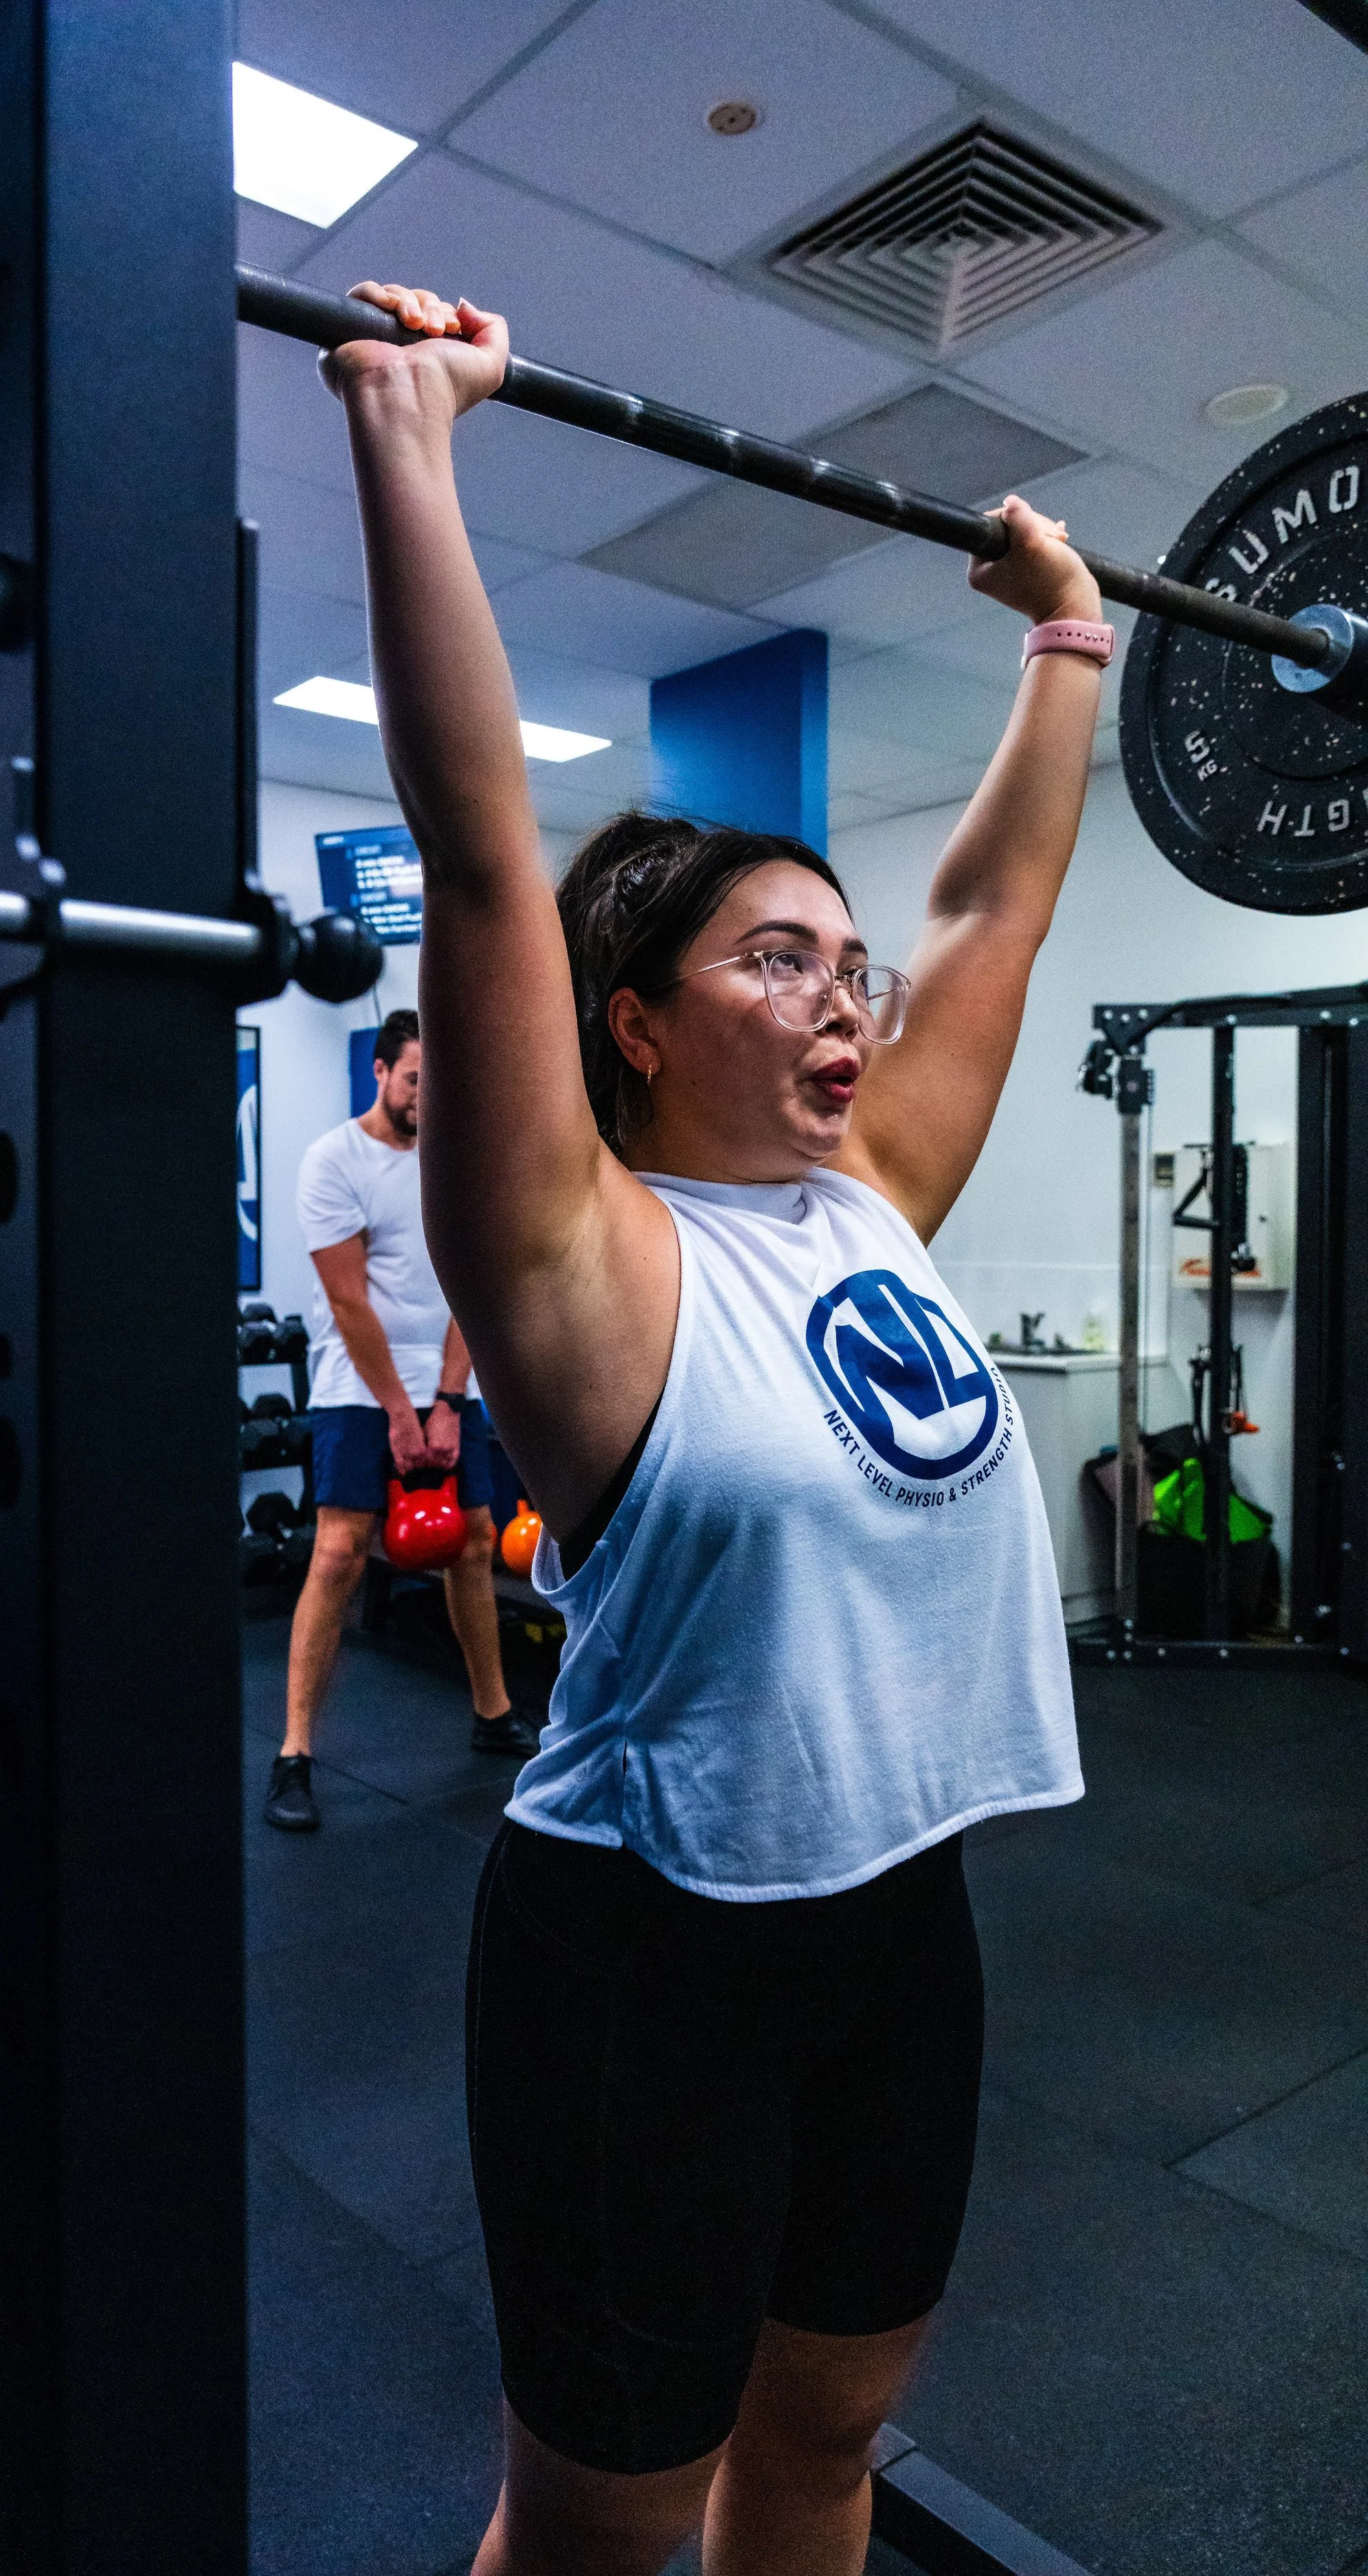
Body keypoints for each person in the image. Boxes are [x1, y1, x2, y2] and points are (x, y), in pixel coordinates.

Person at [325, 280, 1107, 2576]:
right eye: (781, 959)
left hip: (901, 1930)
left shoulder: (873, 1199)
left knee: (831, 2454)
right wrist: (412, 431)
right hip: (644, 1962)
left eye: (844, 967)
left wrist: (1069, 641)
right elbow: (482, 861)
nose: (846, 997)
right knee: (599, 2529)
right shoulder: (579, 1262)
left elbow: (1000, 899)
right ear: (638, 1022)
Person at [266, 1006, 540, 1833]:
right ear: (381, 1072)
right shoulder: (332, 1162)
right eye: (418, 1078)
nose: (430, 1094)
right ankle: (295, 1750)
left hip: (448, 1383)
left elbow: (472, 1288)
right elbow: (348, 1300)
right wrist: (399, 1412)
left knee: (477, 1542)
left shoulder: (461, 1160)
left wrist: (449, 1402)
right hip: (358, 1385)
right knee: (342, 1548)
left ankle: (492, 1714)